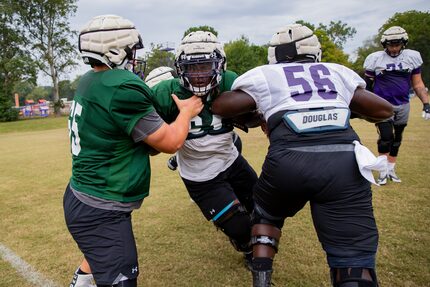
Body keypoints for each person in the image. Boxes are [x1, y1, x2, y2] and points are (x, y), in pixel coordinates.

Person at [212, 24, 393, 287]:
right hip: (343, 162)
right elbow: (383, 109)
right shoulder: (337, 71)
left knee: (266, 216)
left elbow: (223, 106)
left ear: (275, 55)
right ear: (314, 52)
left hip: (288, 160)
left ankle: (261, 279)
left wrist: (256, 115)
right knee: (353, 255)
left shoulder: (266, 74)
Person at [64, 15, 203, 287]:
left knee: (97, 257)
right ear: (115, 52)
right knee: (122, 279)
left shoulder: (88, 80)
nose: (135, 57)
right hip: (100, 204)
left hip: (83, 197)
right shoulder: (121, 86)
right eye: (132, 50)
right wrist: (185, 113)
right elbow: (171, 143)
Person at [150, 31, 258, 269]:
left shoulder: (231, 81)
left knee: (262, 206)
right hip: (200, 174)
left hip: (231, 160)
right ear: (180, 68)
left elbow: (255, 113)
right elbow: (148, 135)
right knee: (241, 227)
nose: (199, 75)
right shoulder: (166, 92)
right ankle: (245, 245)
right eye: (192, 68)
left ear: (219, 64)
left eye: (205, 65)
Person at [363, 26, 429, 185]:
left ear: (403, 43)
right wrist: (366, 106)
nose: (393, 48)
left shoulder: (411, 57)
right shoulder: (376, 59)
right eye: (390, 45)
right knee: (386, 137)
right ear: (384, 44)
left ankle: (391, 169)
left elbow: (418, 84)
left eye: (397, 44)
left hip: (403, 103)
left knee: (397, 138)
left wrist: (426, 104)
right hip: (382, 104)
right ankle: (383, 171)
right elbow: (367, 86)